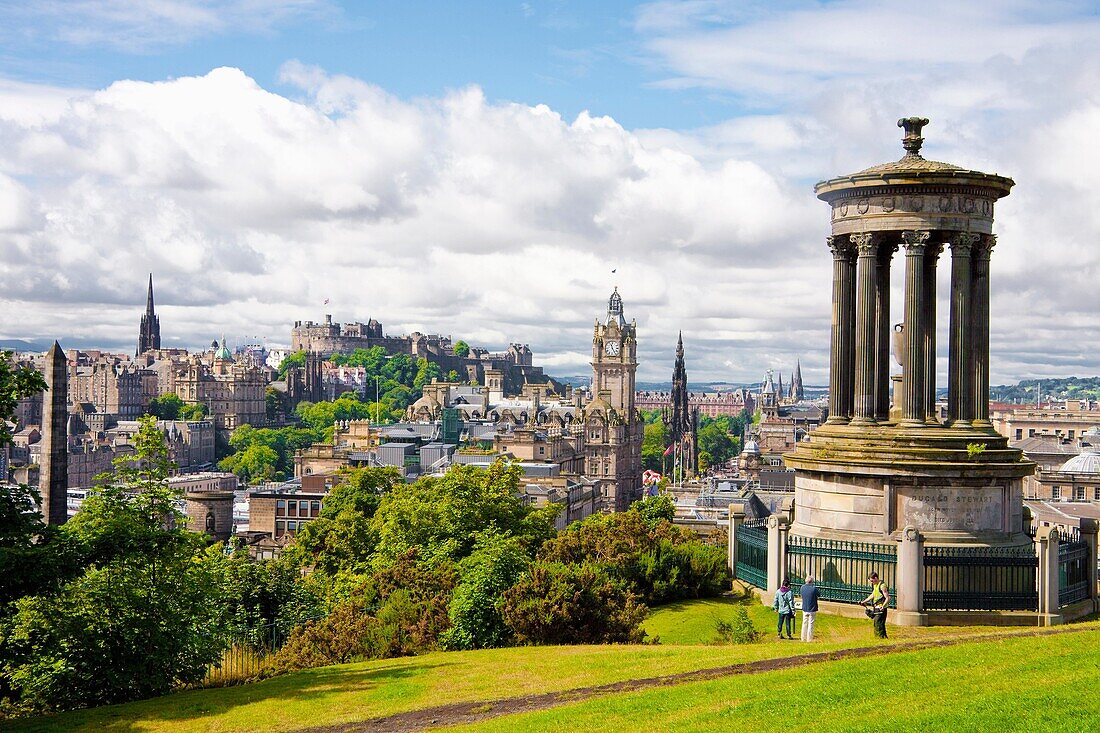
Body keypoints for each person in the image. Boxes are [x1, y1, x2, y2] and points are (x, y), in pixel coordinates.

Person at [860, 571, 890, 639]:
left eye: (872, 581)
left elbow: (887, 598)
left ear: (876, 578)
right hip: (876, 607)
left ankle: (880, 638)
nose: (871, 582)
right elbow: (873, 595)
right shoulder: (875, 585)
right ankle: (882, 637)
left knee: (878, 623)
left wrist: (883, 605)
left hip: (881, 608)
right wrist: (864, 601)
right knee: (877, 623)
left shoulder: (882, 586)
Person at [800, 575, 819, 641]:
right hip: (812, 608)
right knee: (811, 624)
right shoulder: (814, 588)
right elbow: (819, 595)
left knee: (804, 623)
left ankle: (803, 638)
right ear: (811, 582)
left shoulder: (802, 587)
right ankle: (809, 639)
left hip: (805, 607)